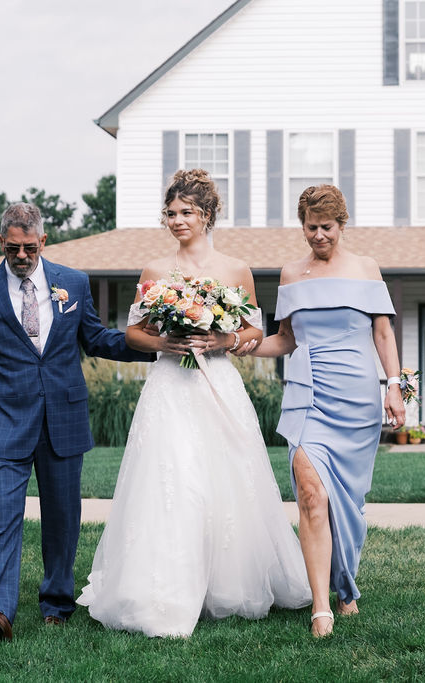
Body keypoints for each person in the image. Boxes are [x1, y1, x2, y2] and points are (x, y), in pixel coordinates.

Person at [76, 169, 311, 637]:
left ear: (206, 216)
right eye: (171, 213)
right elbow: (134, 332)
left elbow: (253, 331)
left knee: (224, 478)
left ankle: (227, 584)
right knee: (171, 480)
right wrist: (167, 343)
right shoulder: (155, 272)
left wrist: (221, 338)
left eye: (186, 213)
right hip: (170, 386)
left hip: (217, 383)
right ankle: (159, 589)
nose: (177, 220)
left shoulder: (235, 269)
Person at [0, 202, 154, 642]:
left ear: (43, 241)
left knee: (62, 517)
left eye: (29, 247)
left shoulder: (74, 283)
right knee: (3, 513)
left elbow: (97, 338)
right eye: (12, 249)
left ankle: (57, 603)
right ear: (0, 244)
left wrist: (155, 344)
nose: (21, 256)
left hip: (63, 417)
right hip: (6, 420)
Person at [242, 184, 406, 637]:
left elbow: (385, 337)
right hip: (307, 392)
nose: (319, 236)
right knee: (311, 495)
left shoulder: (366, 269)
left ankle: (346, 586)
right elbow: (285, 339)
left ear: (342, 224)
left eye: (327, 227)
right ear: (302, 226)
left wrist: (397, 389)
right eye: (311, 228)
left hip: (358, 398)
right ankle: (321, 606)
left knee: (348, 505)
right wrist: (237, 344)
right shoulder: (291, 274)